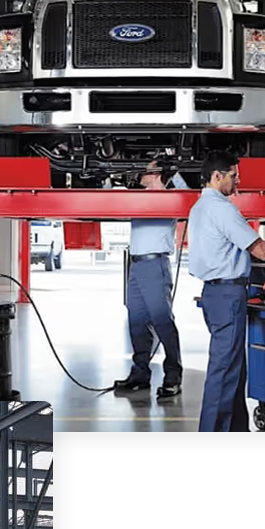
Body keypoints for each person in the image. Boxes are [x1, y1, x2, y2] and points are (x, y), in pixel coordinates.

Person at [188, 151, 265, 431]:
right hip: (228, 296)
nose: (238, 182)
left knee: (233, 369)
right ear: (217, 176)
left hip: (212, 294)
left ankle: (237, 431)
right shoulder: (223, 209)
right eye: (234, 176)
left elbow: (237, 246)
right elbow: (260, 251)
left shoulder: (199, 207)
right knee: (223, 372)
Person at [113, 159, 189, 399]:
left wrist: (173, 172)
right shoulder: (138, 197)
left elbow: (189, 198)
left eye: (147, 170)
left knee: (163, 322)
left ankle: (173, 377)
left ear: (157, 174)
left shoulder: (172, 196)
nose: (141, 174)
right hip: (135, 265)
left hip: (156, 265)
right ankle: (140, 375)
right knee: (136, 322)